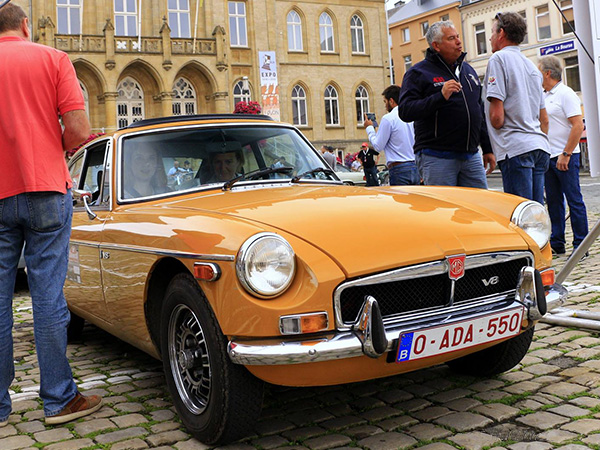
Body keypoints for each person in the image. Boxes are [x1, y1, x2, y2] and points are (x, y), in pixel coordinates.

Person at [0, 2, 102, 427]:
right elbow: (78, 132)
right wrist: (47, 142)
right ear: (26, 25)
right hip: (45, 187)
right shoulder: (53, 59)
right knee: (47, 298)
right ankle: (59, 399)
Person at [398, 20, 495, 188]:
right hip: (437, 156)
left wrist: (487, 147)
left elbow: (478, 111)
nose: (458, 41)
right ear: (436, 45)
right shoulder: (418, 73)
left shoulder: (468, 71)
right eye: (451, 38)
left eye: (458, 37)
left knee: (478, 209)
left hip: (471, 155)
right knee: (444, 211)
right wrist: (440, 96)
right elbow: (406, 111)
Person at [485, 12, 550, 204]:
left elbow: (497, 118)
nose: (490, 37)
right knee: (534, 214)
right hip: (538, 145)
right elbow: (544, 119)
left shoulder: (498, 60)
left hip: (515, 146)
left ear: (501, 33)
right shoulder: (531, 67)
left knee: (519, 215)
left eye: (492, 32)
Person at [539, 55, 588, 257]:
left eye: (539, 71)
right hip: (549, 156)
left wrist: (566, 154)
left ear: (548, 73)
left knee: (573, 199)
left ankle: (581, 244)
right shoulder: (544, 95)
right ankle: (557, 242)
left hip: (566, 155)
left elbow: (578, 125)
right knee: (554, 201)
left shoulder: (565, 94)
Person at [365, 85, 418, 186]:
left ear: (391, 101)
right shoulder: (412, 116)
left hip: (399, 168)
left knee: (401, 201)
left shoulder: (388, 118)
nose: (385, 106)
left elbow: (378, 146)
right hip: (415, 166)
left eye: (385, 102)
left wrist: (369, 128)